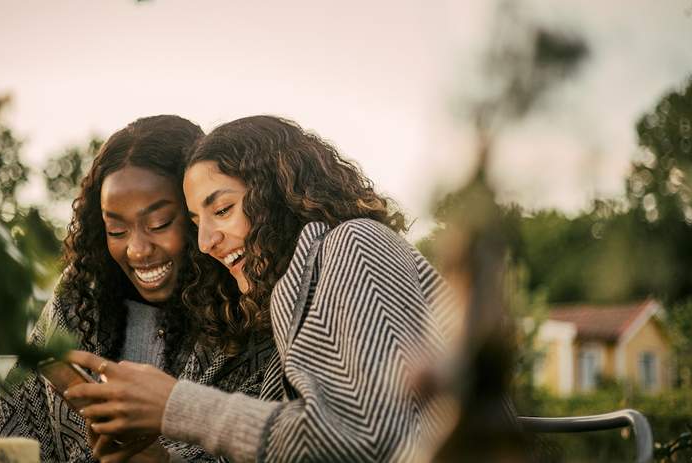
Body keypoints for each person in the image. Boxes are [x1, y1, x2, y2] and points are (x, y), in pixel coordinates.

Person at [65, 115, 462, 462]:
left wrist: (174, 405)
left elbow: (379, 440)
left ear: (279, 193)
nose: (205, 242)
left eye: (222, 210)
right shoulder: (290, 311)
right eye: (195, 220)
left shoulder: (355, 243)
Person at [0, 115, 276, 462]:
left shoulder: (252, 314)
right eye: (117, 231)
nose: (137, 249)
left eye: (159, 223)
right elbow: (9, 433)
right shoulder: (77, 300)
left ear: (198, 215)